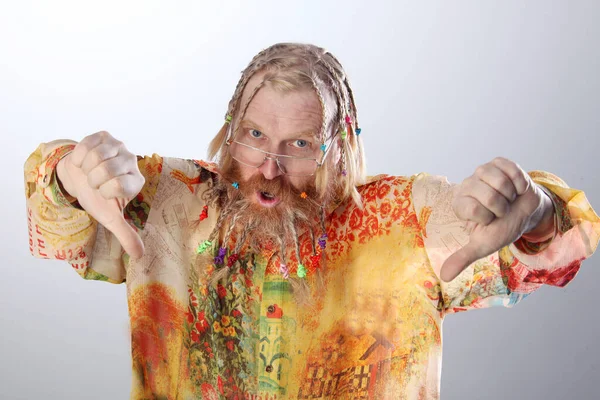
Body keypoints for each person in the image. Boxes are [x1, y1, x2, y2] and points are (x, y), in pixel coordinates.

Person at [24, 43, 599, 399]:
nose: (268, 169)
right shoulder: (168, 200)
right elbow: (56, 213)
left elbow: (553, 246)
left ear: (340, 149)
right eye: (254, 136)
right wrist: (66, 173)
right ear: (230, 129)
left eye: (300, 144)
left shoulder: (401, 222)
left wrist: (539, 213)